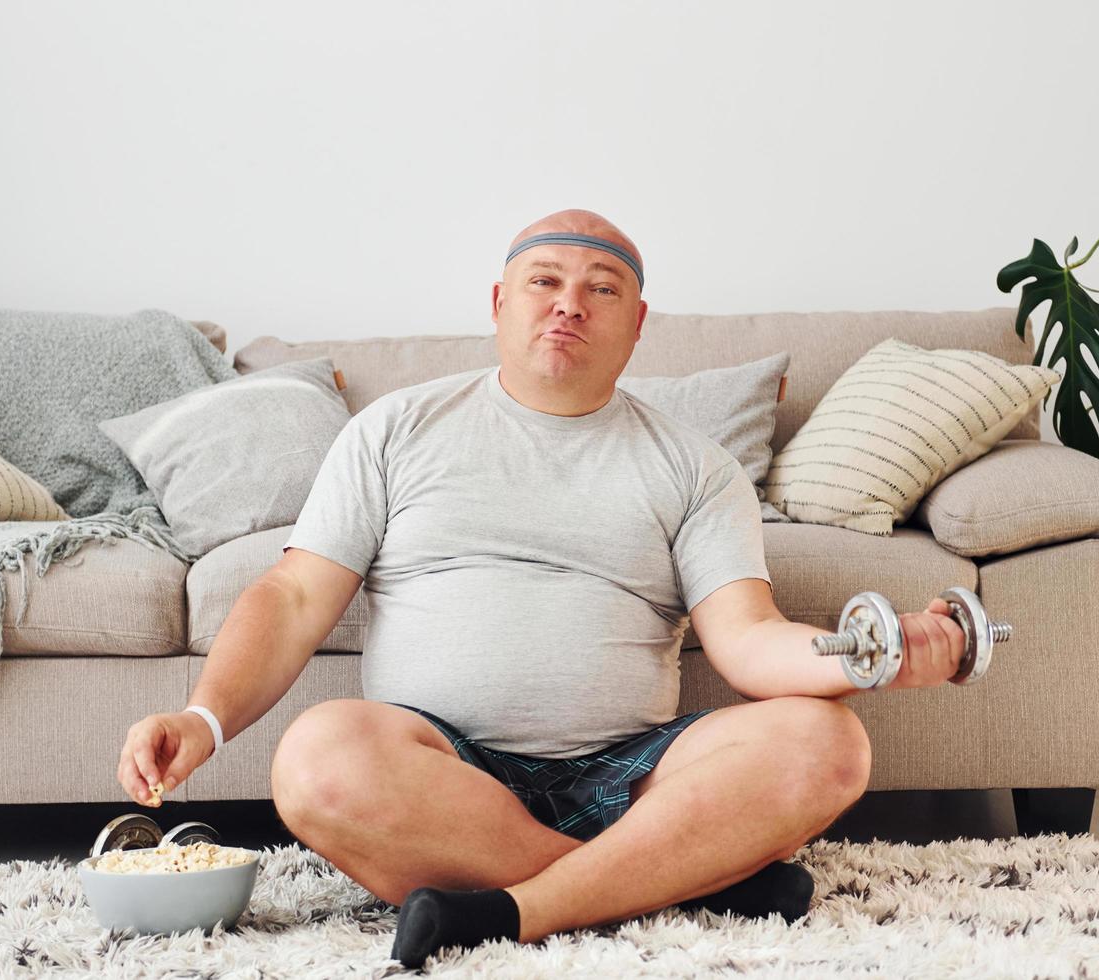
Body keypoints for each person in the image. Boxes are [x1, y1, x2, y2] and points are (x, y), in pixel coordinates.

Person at [116, 209, 968, 968]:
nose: (569, 303)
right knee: (315, 760)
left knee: (829, 744)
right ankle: (673, 880)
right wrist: (203, 717)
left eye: (602, 288)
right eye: (545, 281)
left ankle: (508, 912)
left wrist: (869, 656)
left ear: (636, 326)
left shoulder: (698, 468)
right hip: (442, 768)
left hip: (633, 777)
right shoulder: (394, 430)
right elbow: (295, 594)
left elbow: (747, 639)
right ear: (498, 303)